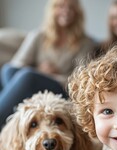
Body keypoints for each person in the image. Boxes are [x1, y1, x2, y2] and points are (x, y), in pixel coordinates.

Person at [0, 0, 96, 129]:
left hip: (60, 88)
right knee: (8, 70)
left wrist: (47, 75)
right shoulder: (38, 36)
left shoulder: (85, 43)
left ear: (77, 12)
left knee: (28, 76)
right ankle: (12, 116)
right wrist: (38, 70)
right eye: (61, 6)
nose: (66, 11)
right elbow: (17, 64)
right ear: (53, 10)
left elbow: (80, 80)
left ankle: (8, 117)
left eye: (71, 8)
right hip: (31, 83)